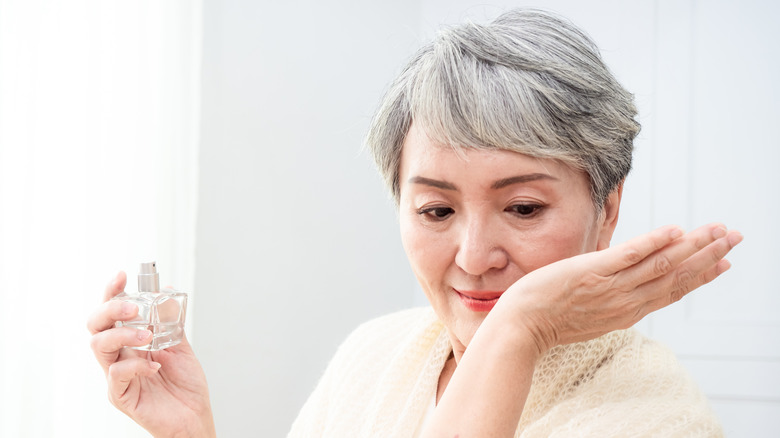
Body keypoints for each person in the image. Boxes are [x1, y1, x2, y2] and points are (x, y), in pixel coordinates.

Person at [87, 8, 742, 437]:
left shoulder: (652, 414)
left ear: (609, 208)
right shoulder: (376, 355)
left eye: (522, 208)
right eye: (436, 210)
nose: (476, 255)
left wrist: (518, 330)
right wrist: (193, 430)